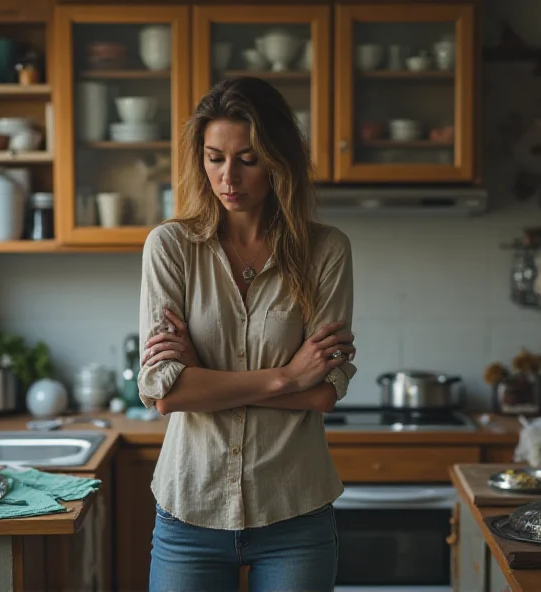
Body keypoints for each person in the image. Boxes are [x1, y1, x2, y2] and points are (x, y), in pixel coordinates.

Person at [137, 75, 357, 592]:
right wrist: (286, 378)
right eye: (215, 157)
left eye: (248, 159)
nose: (227, 176)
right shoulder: (170, 247)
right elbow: (166, 394)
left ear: (279, 161)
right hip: (190, 509)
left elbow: (324, 392)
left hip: (295, 512)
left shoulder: (327, 251)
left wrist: (203, 379)